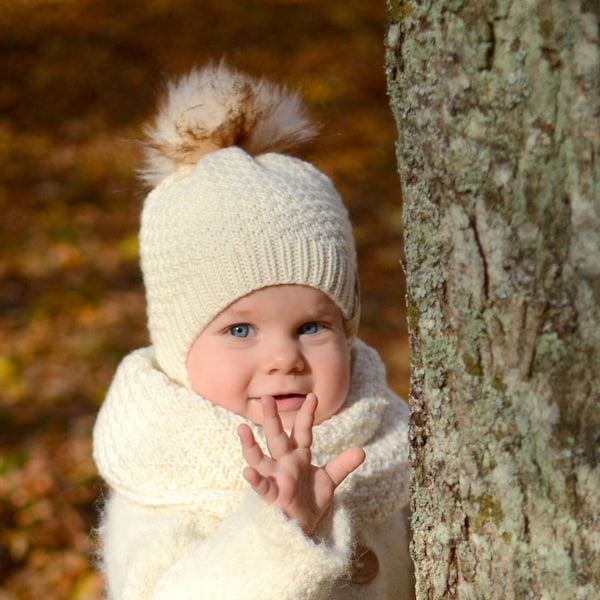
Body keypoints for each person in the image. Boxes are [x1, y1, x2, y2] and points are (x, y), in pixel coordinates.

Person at [93, 62, 413, 600]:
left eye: (312, 325)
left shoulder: (389, 443)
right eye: (241, 329)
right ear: (179, 348)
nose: (284, 357)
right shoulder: (160, 471)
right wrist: (280, 531)